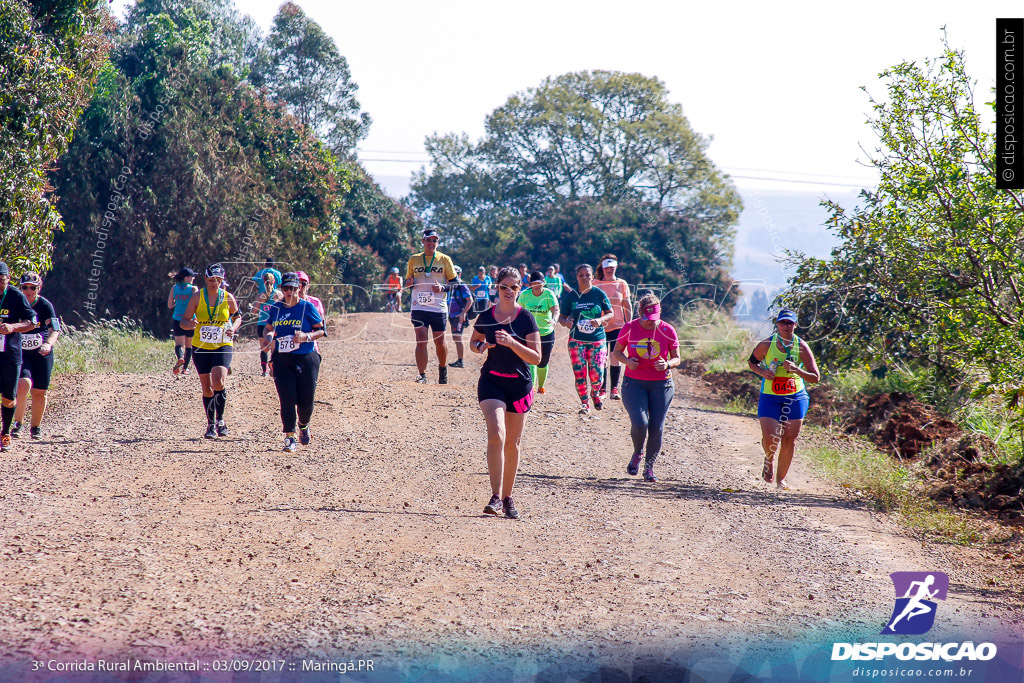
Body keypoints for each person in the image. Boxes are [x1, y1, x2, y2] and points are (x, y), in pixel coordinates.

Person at [470, 266, 541, 519]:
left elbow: (536, 357)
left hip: (520, 385)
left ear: (520, 289)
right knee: (496, 434)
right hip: (492, 382)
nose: (509, 291)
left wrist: (512, 343)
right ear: (496, 288)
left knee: (512, 442)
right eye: (504, 287)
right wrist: (481, 346)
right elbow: (474, 341)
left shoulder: (526, 319)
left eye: (514, 287)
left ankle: (509, 497)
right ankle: (495, 497)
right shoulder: (487, 315)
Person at [747, 308, 820, 490]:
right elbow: (751, 362)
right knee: (771, 436)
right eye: (782, 322)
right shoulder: (766, 344)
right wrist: (763, 372)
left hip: (795, 396)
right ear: (777, 325)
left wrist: (797, 370)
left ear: (795, 325)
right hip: (770, 397)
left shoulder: (802, 346)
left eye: (789, 323)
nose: (786, 326)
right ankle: (769, 459)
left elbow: (815, 377)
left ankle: (781, 481)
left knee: (789, 438)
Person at [612, 293, 680, 482]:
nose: (652, 323)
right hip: (634, 383)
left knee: (656, 427)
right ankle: (637, 452)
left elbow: (677, 358)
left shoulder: (668, 330)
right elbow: (616, 351)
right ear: (640, 313)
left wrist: (667, 364)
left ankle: (649, 468)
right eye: (648, 319)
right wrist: (627, 361)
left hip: (662, 384)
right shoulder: (630, 328)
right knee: (640, 423)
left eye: (655, 319)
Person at [262, 272, 326, 452]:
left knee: (306, 402)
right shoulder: (275, 308)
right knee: (287, 398)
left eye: (293, 288)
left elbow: (321, 330)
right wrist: (268, 339)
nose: (289, 292)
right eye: (286, 288)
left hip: (306, 357)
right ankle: (290, 437)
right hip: (283, 358)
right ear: (282, 289)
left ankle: (303, 425)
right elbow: (268, 328)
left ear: (299, 289)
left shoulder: (307, 307)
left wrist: (306, 337)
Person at [179, 263, 242, 439]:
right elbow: (183, 321)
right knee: (207, 389)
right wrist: (189, 324)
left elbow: (238, 317)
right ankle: (210, 424)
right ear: (206, 279)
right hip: (201, 346)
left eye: (218, 280)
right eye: (212, 279)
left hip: (223, 344)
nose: (215, 283)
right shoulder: (197, 297)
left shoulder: (228, 297)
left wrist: (234, 328)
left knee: (219, 381)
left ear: (222, 281)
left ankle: (220, 420)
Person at [558, 264, 613, 414]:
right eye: (581, 275)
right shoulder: (571, 296)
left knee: (597, 374)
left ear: (592, 277)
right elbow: (561, 317)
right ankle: (584, 404)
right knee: (579, 373)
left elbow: (610, 313)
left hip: (597, 339)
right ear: (577, 277)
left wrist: (601, 320)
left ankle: (595, 393)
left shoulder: (599, 294)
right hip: (577, 340)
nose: (584, 278)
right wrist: (566, 323)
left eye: (587, 275)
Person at [405, 228, 457, 384]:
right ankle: (422, 375)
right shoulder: (414, 259)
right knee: (421, 340)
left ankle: (443, 369)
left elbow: (455, 284)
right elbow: (409, 281)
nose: (431, 243)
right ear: (423, 241)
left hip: (437, 307)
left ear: (438, 243)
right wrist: (409, 283)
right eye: (428, 240)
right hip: (419, 306)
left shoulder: (444, 259)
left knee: (439, 342)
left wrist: (443, 288)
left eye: (435, 240)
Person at [12, 272, 57, 441]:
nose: (28, 291)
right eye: (25, 287)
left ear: (39, 288)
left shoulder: (45, 305)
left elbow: (55, 329)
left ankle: (35, 427)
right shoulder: (16, 303)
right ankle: (18, 423)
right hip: (21, 352)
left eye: (33, 287)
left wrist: (48, 344)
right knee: (23, 385)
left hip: (42, 352)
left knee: (40, 392)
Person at [0, 262, 37, 452]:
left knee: (9, 396)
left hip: (10, 354)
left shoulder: (15, 296)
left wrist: (13, 327)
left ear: (8, 279)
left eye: (1, 280)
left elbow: (32, 321)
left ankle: (5, 433)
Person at [594, 254, 633, 400]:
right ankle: (602, 389)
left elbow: (627, 304)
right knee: (602, 358)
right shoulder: (595, 283)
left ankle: (614, 389)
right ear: (602, 268)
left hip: (618, 326)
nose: (610, 270)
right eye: (607, 268)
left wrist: (629, 324)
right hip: (600, 326)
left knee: (614, 356)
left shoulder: (622, 284)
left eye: (612, 267)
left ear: (616, 267)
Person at [518, 271, 559, 394]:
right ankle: (531, 386)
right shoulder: (525, 295)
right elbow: (517, 310)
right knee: (531, 359)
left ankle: (541, 386)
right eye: (534, 283)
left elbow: (556, 310)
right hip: (529, 332)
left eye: (539, 283)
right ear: (530, 284)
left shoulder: (549, 294)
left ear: (544, 283)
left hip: (546, 332)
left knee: (543, 360)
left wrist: (554, 319)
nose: (536, 286)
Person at [248, 272, 282, 377]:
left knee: (264, 349)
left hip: (262, 324)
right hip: (274, 325)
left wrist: (250, 308)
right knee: (274, 349)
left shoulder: (261, 295)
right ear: (274, 282)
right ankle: (275, 368)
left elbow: (253, 311)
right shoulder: (279, 295)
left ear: (263, 282)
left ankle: (264, 371)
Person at [168, 267, 198, 376]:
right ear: (186, 278)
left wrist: (179, 303)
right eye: (192, 276)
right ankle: (185, 369)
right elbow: (198, 304)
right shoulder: (193, 289)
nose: (193, 278)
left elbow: (170, 305)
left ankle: (180, 357)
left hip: (177, 318)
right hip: (190, 319)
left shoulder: (174, 288)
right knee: (189, 345)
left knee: (179, 344)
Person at [446, 266, 473, 368]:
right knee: (455, 337)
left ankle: (460, 361)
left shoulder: (462, 285)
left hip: (458, 315)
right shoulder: (451, 286)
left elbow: (470, 300)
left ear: (459, 274)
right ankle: (459, 360)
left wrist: (463, 313)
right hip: (452, 315)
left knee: (457, 337)